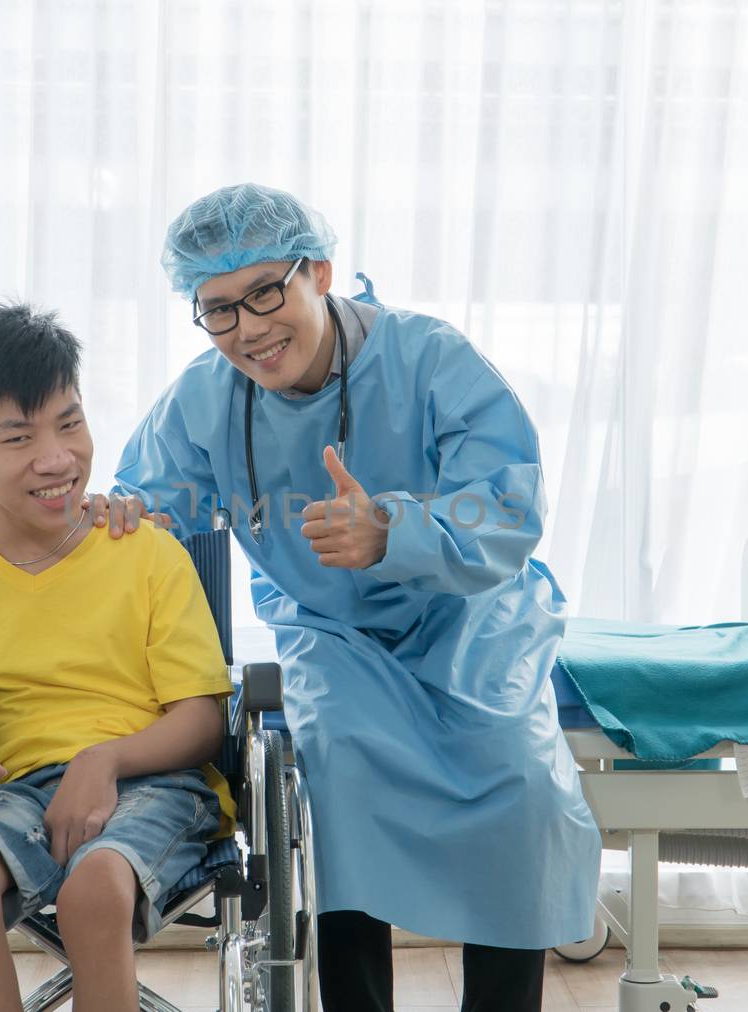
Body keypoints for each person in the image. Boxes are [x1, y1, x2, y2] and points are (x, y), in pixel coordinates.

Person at [102, 183, 601, 1012]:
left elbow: (510, 504)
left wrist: (394, 532)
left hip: (471, 621)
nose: (248, 330)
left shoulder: (430, 358)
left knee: (521, 788)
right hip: (331, 632)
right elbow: (154, 501)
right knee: (342, 778)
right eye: (218, 309)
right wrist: (128, 514)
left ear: (320, 273)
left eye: (267, 293)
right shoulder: (204, 398)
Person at [0, 302, 235, 1012]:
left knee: (97, 885)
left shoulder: (145, 551)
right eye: (19, 437)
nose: (57, 458)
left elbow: (204, 722)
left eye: (71, 422)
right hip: (16, 794)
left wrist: (104, 760)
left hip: (157, 784)